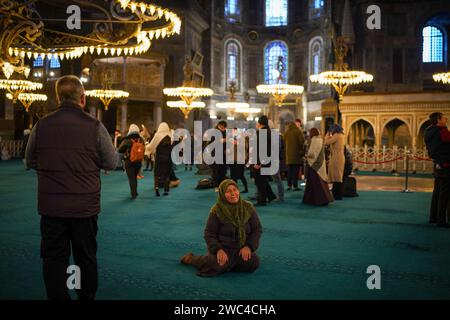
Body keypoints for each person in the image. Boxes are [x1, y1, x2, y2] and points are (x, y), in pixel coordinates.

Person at [24, 75, 117, 300]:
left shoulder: (41, 125)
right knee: (84, 257)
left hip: (52, 208)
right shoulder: (95, 126)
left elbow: (29, 161)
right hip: (84, 208)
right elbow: (111, 163)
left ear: (57, 97)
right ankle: (84, 296)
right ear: (83, 98)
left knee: (55, 258)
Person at [180, 179, 262, 277]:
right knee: (214, 264)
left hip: (240, 248)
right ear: (222, 194)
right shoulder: (217, 210)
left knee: (253, 263)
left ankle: (228, 265)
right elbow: (209, 233)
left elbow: (257, 229)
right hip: (223, 249)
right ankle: (191, 259)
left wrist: (249, 246)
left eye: (235, 190)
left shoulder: (248, 207)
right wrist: (218, 250)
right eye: (228, 191)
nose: (233, 194)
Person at [424, 112, 450, 228]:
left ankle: (433, 217)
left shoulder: (428, 131)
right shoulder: (442, 131)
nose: (446, 119)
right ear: (438, 120)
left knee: (437, 192)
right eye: (444, 118)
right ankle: (441, 220)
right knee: (445, 193)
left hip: (437, 163)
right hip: (445, 164)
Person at [303, 128, 334, 206]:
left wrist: (306, 155)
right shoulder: (320, 140)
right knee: (320, 183)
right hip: (320, 164)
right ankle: (323, 199)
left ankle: (317, 200)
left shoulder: (313, 140)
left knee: (315, 184)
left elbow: (311, 153)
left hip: (314, 165)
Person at [252, 116, 277, 206]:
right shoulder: (268, 131)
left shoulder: (262, 132)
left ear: (259, 123)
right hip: (266, 160)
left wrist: (259, 163)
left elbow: (261, 149)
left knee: (259, 181)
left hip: (262, 160)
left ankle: (262, 200)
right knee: (263, 179)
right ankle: (270, 196)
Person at [118, 124, 145, 200]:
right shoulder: (141, 139)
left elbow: (120, 150)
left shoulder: (127, 139)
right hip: (138, 161)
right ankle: (135, 192)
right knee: (135, 177)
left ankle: (133, 194)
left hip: (129, 161)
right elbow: (143, 149)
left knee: (131, 178)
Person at [146, 122, 173, 196]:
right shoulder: (170, 136)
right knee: (166, 174)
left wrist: (147, 149)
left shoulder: (157, 135)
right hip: (168, 158)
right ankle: (166, 190)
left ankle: (157, 189)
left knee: (156, 174)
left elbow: (151, 146)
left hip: (159, 158)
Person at [324, 124, 346, 200]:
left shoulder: (336, 135)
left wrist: (327, 134)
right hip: (339, 157)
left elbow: (326, 142)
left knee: (337, 177)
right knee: (338, 176)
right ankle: (337, 194)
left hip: (336, 158)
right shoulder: (341, 135)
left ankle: (337, 195)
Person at [284, 119, 305, 191]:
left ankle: (289, 185)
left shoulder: (287, 132)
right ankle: (295, 186)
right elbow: (301, 141)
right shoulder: (298, 131)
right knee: (295, 172)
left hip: (288, 156)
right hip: (296, 155)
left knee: (289, 171)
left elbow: (284, 143)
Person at [229, 128, 249, 193]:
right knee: (233, 176)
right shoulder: (230, 139)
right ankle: (235, 189)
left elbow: (245, 147)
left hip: (240, 159)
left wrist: (237, 144)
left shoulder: (242, 138)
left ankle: (246, 189)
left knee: (241, 175)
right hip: (232, 159)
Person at [211, 120, 228, 190]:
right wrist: (222, 140)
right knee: (216, 171)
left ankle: (222, 185)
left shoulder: (225, 132)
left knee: (223, 170)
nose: (223, 128)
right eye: (222, 127)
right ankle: (217, 186)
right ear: (219, 126)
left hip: (223, 155)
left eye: (224, 127)